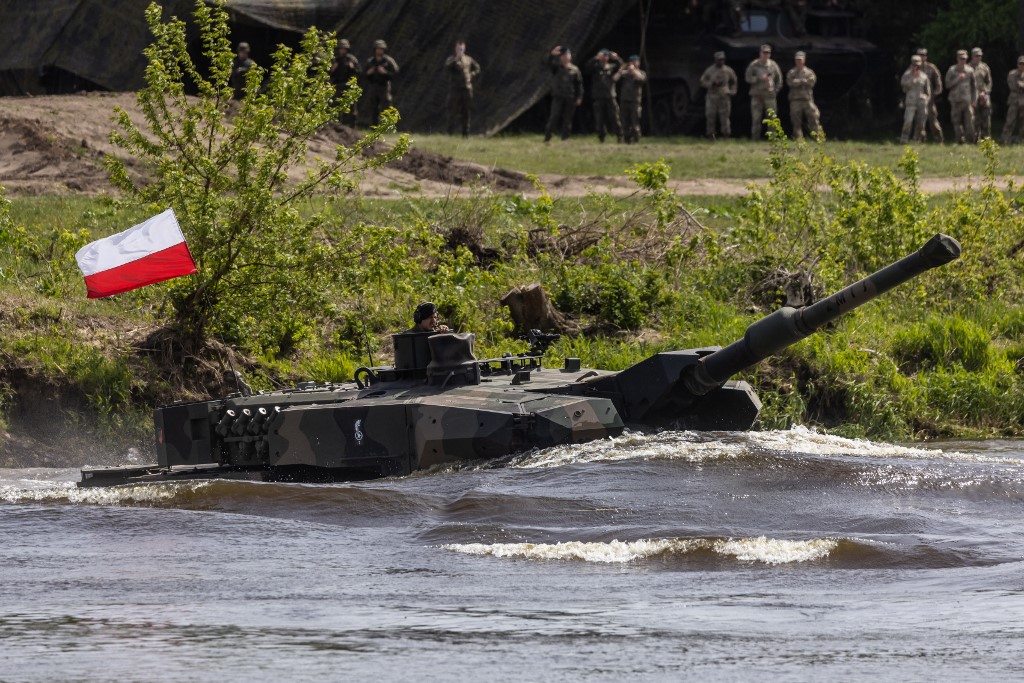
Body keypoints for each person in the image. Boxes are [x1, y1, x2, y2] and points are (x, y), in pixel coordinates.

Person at [544, 46, 583, 142]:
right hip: (558, 96)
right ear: (560, 57)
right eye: (563, 55)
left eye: (567, 55)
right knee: (554, 116)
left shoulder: (575, 69)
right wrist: (552, 55)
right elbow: (549, 64)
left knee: (568, 119)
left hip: (570, 96)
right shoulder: (556, 67)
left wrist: (579, 97)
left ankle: (565, 138)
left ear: (570, 57)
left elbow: (579, 85)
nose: (565, 57)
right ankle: (547, 137)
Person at [745, 44, 783, 140]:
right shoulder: (754, 65)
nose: (766, 54)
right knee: (756, 118)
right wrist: (757, 78)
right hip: (756, 95)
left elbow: (779, 80)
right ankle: (755, 138)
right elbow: (747, 78)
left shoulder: (773, 65)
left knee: (772, 118)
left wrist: (776, 91)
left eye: (768, 53)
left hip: (769, 95)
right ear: (760, 53)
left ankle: (773, 138)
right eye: (764, 52)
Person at [585, 49, 624, 143]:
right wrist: (595, 58)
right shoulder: (595, 67)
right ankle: (601, 137)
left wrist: (617, 58)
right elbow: (587, 67)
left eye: (606, 56)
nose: (604, 57)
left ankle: (619, 136)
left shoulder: (612, 66)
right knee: (599, 119)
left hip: (610, 96)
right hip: (598, 96)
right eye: (603, 55)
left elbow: (622, 67)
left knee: (615, 117)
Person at [444, 40, 481, 137]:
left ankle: (465, 134)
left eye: (461, 49)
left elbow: (477, 68)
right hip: (455, 90)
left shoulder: (468, 59)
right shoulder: (451, 59)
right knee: (453, 112)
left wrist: (473, 73)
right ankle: (449, 133)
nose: (460, 50)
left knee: (466, 112)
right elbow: (447, 67)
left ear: (464, 49)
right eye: (458, 49)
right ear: (455, 49)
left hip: (466, 89)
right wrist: (456, 59)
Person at [699, 51, 737, 139]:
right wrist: (711, 83)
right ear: (715, 60)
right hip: (712, 97)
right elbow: (702, 82)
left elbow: (734, 81)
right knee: (710, 116)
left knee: (725, 118)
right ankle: (711, 135)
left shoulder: (728, 70)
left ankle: (726, 135)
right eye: (719, 60)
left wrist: (732, 91)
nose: (721, 61)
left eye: (723, 60)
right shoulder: (709, 70)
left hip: (724, 96)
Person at [786, 51, 821, 140]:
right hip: (795, 100)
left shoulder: (809, 72)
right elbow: (790, 82)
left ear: (804, 60)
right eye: (797, 60)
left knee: (814, 117)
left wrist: (799, 81)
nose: (799, 61)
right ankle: (798, 139)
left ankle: (817, 137)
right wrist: (802, 81)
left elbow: (811, 82)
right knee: (796, 121)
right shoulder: (791, 72)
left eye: (800, 60)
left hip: (807, 99)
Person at [363, 39, 399, 125]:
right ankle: (375, 126)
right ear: (374, 49)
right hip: (374, 86)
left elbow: (396, 73)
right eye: (378, 48)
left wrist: (386, 72)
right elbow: (363, 74)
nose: (379, 50)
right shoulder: (370, 61)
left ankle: (388, 126)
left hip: (385, 86)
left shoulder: (388, 61)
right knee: (374, 107)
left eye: (381, 49)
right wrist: (368, 73)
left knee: (387, 106)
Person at [944, 50, 976, 145]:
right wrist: (958, 79)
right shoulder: (952, 70)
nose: (963, 60)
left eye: (965, 59)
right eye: (961, 58)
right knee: (956, 121)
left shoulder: (970, 70)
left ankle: (970, 140)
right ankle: (959, 140)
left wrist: (974, 99)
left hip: (967, 100)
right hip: (955, 100)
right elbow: (947, 85)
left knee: (969, 121)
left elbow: (974, 87)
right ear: (957, 59)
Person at [915, 48, 944, 143]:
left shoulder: (931, 67)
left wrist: (937, 92)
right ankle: (920, 139)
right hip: (918, 98)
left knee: (933, 119)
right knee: (920, 119)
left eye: (923, 55)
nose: (921, 57)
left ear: (926, 56)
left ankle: (939, 139)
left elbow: (938, 79)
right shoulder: (914, 68)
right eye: (920, 55)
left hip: (929, 98)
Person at [900, 55, 931, 144]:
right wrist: (912, 78)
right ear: (911, 65)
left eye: (917, 65)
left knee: (921, 122)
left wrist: (926, 99)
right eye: (914, 65)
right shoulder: (906, 75)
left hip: (921, 102)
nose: (916, 67)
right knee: (908, 121)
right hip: (911, 102)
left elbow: (928, 91)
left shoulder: (924, 76)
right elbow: (903, 86)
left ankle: (917, 139)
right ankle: (904, 139)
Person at [330, 39, 361, 126]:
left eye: (344, 48)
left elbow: (359, 72)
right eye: (341, 48)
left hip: (349, 86)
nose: (342, 50)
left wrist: (352, 68)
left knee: (351, 107)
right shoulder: (335, 59)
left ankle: (351, 126)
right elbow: (328, 73)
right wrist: (333, 68)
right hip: (338, 85)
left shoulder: (352, 59)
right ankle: (336, 125)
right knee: (336, 106)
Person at [970, 47, 993, 140]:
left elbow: (989, 82)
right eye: (976, 56)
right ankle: (975, 138)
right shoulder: (968, 68)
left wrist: (985, 92)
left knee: (986, 117)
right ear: (972, 56)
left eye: (980, 56)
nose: (978, 58)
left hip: (984, 95)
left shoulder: (985, 67)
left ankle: (986, 138)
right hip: (972, 95)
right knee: (975, 118)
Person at [1002, 56, 1024, 145]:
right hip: (1014, 100)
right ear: (1017, 64)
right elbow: (1013, 86)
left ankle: (1022, 139)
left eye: (1023, 64)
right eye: (1020, 63)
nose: (1022, 65)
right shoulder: (1012, 74)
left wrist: (1022, 85)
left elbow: (1020, 85)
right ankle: (1005, 139)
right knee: (1010, 121)